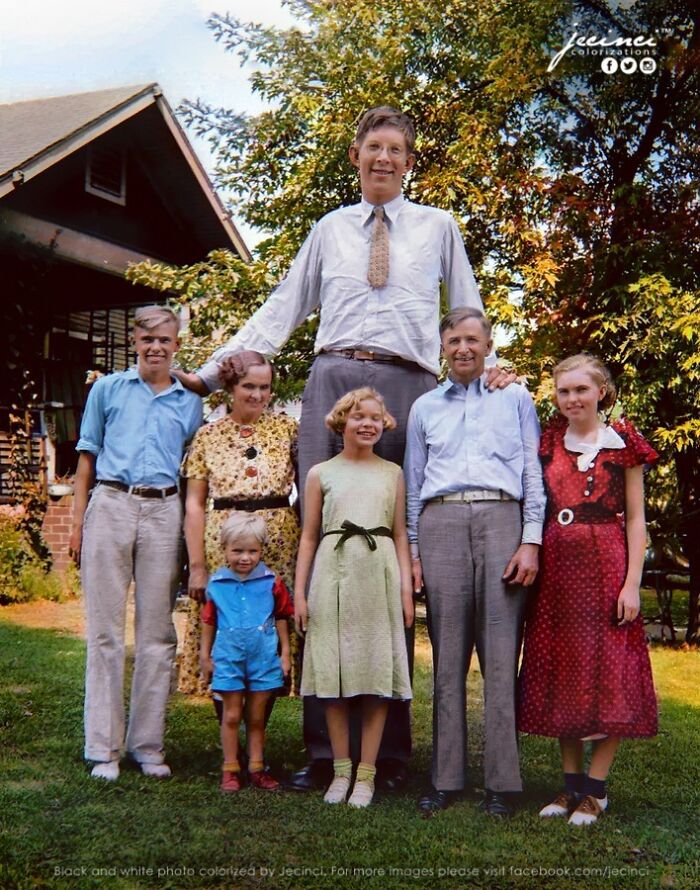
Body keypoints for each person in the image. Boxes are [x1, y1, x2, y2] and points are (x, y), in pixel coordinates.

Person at [175, 106, 505, 791]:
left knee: (391, 545)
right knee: (327, 549)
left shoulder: (438, 228)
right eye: (372, 147)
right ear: (355, 157)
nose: (383, 158)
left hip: (409, 382)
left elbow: (466, 310)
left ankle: (389, 755)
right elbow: (282, 308)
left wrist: (495, 370)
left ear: (409, 162)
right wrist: (209, 372)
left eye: (395, 149)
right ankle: (324, 753)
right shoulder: (328, 229)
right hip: (333, 374)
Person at [404, 307, 545, 817]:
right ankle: (446, 778)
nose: (462, 348)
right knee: (447, 657)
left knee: (501, 653)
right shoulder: (425, 407)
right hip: (442, 523)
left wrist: (531, 540)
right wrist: (415, 553)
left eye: (471, 339)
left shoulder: (514, 396)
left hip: (502, 522)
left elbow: (532, 471)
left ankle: (503, 784)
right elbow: (414, 482)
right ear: (442, 347)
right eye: (453, 340)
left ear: (489, 344)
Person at [518, 354, 658, 825]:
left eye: (581, 389)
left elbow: (637, 518)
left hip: (608, 566)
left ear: (602, 391)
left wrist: (632, 584)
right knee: (566, 671)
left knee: (609, 672)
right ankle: (570, 785)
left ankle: (596, 791)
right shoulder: (549, 441)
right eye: (563, 391)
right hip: (558, 567)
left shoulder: (623, 444)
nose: (572, 399)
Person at [69, 306, 202, 780]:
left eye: (164, 340)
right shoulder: (107, 390)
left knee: (157, 633)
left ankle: (147, 745)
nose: (155, 347)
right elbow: (87, 458)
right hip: (111, 503)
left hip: (164, 509)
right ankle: (103, 749)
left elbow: (192, 473)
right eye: (147, 339)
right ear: (135, 341)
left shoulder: (189, 402)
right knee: (104, 631)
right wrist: (79, 521)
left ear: (176, 345)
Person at [294, 388, 414, 808]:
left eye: (375, 418)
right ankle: (340, 770)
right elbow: (309, 536)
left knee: (375, 677)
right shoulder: (321, 473)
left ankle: (367, 775)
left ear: (385, 426)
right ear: (341, 421)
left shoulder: (392, 473)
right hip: (333, 574)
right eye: (358, 416)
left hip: (378, 576)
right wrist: (301, 593)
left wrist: (404, 589)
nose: (367, 424)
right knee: (335, 677)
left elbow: (399, 533)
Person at [179, 351, 300, 708]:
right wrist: (198, 566)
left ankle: (259, 736)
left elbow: (311, 483)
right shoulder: (208, 436)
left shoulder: (287, 429)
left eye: (265, 388)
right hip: (224, 540)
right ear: (230, 387)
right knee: (228, 629)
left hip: (278, 543)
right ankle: (230, 733)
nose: (258, 395)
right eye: (249, 386)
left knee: (269, 629)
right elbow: (194, 504)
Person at [200, 512, 293, 793]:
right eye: (237, 551)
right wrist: (205, 657)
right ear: (225, 549)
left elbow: (281, 617)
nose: (245, 558)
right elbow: (209, 621)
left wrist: (285, 653)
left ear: (262, 550)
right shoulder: (217, 585)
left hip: (263, 659)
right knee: (231, 715)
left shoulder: (271, 583)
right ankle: (230, 768)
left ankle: (257, 768)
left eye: (252, 551)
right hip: (228, 659)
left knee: (256, 717)